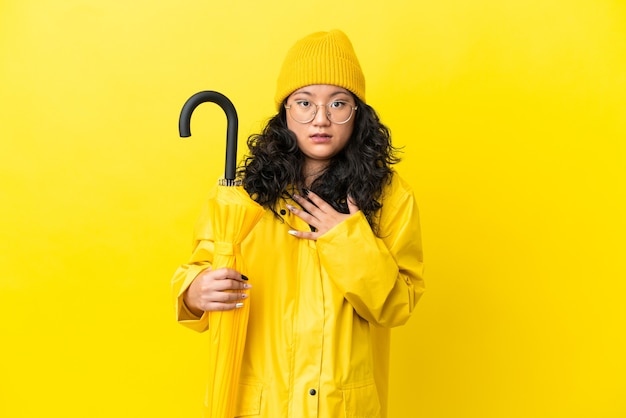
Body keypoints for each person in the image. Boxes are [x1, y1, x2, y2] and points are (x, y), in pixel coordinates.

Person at [171, 29, 425, 418]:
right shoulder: (241, 196)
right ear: (285, 110)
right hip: (259, 405)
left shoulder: (389, 195)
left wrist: (346, 238)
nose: (320, 119)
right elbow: (198, 273)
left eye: (338, 104)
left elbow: (396, 307)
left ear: (357, 113)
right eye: (304, 102)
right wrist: (195, 293)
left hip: (340, 407)